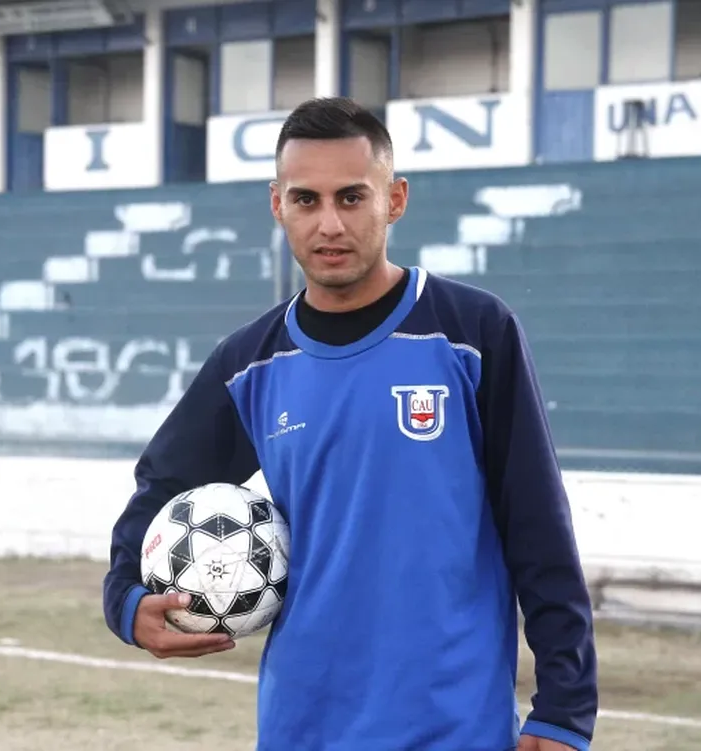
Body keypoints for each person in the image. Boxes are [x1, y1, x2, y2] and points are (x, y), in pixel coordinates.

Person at [103, 96, 598, 751]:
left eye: (352, 197)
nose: (329, 223)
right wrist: (126, 600)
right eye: (306, 200)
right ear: (277, 204)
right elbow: (161, 484)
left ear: (394, 200)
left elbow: (537, 524)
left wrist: (565, 704)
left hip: (454, 725)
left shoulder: (473, 334)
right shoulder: (249, 363)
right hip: (302, 725)